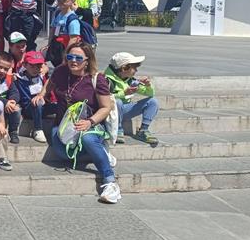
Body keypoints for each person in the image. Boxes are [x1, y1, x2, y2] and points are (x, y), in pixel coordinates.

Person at [34, 44, 120, 204]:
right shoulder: (61, 71)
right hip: (63, 125)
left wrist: (89, 122)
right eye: (70, 57)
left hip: (90, 124)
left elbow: (106, 107)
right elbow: (50, 82)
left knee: (88, 139)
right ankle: (100, 153)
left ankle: (110, 181)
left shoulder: (97, 79)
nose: (73, 61)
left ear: (87, 60)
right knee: (62, 153)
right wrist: (41, 94)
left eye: (78, 58)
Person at [105, 52, 160, 146]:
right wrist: (123, 94)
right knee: (117, 102)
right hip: (111, 113)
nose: (136, 70)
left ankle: (143, 130)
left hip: (125, 111)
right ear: (124, 68)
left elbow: (150, 94)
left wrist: (148, 85)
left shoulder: (130, 80)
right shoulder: (106, 80)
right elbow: (104, 99)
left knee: (153, 101)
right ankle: (117, 129)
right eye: (134, 67)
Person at [13, 51, 48, 142]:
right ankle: (38, 130)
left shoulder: (41, 76)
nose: (35, 69)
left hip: (43, 106)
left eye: (38, 66)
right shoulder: (18, 78)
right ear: (25, 65)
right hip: (28, 108)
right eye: (32, 66)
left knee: (58, 106)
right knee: (37, 102)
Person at [0, 51, 23, 144]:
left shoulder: (7, 80)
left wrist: (12, 101)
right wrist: (6, 102)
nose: (2, 71)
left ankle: (13, 132)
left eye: (5, 69)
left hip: (4, 107)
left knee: (16, 109)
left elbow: (15, 92)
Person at [45, 0, 82, 67]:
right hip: (56, 48)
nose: (61, 1)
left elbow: (73, 39)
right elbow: (53, 29)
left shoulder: (72, 19)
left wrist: (66, 54)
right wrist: (49, 45)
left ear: (72, 1)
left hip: (65, 49)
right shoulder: (57, 14)